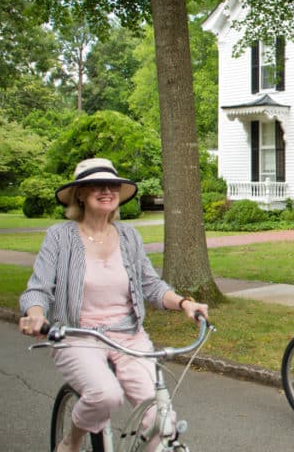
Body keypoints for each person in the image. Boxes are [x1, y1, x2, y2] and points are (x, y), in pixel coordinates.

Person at [18, 158, 209, 452]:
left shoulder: (129, 236)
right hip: (79, 337)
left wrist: (184, 303)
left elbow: (152, 285)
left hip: (128, 336)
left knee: (164, 423)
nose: (106, 190)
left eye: (112, 185)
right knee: (106, 395)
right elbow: (38, 289)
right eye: (97, 185)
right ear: (80, 193)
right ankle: (72, 441)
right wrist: (36, 316)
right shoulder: (60, 236)